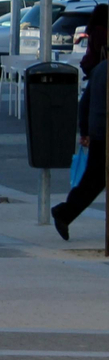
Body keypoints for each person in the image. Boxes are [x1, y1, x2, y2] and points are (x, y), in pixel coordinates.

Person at [52, 55, 107, 240]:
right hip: (104, 131)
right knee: (94, 180)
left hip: (98, 131)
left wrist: (85, 131)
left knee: (94, 180)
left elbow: (84, 103)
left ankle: (65, 213)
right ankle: (65, 213)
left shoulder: (100, 69)